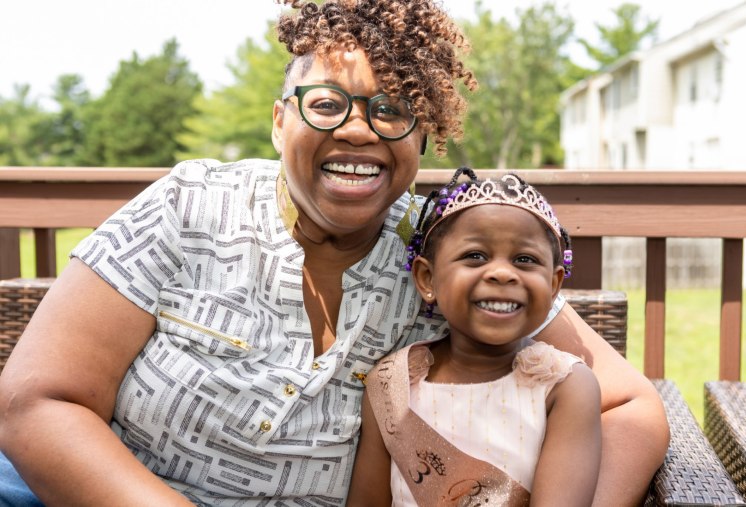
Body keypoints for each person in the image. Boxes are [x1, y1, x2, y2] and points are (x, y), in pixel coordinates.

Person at [0, 0, 667, 505]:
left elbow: (629, 409)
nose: (357, 129)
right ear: (279, 119)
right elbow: (37, 402)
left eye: (391, 110)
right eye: (326, 104)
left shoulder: (446, 255)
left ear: (421, 138)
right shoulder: (188, 206)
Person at [347, 169, 602, 506]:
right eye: (475, 256)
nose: (501, 272)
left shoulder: (565, 386)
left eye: (525, 259)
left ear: (554, 286)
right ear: (427, 279)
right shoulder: (392, 383)